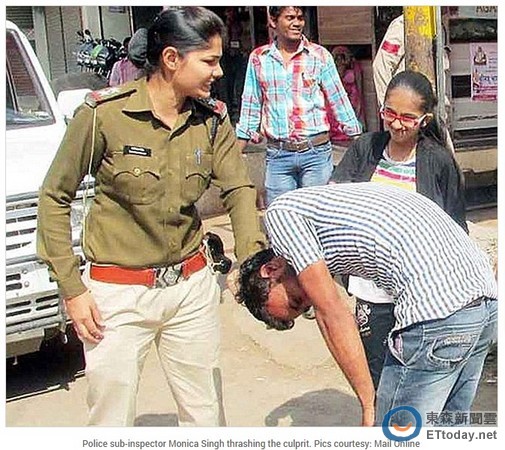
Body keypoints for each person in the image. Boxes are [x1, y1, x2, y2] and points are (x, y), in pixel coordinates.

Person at [37, 7, 266, 427]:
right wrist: (72, 289)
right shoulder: (104, 114)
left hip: (190, 289)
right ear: (172, 58)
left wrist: (251, 261)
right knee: (111, 419)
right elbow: (54, 197)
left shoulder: (211, 120)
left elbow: (238, 189)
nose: (218, 71)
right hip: (116, 296)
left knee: (205, 417)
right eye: (209, 61)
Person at [236, 183, 497, 427]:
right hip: (483, 302)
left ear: (270, 269)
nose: (309, 299)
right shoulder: (322, 209)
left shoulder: (280, 215)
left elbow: (332, 315)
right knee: (448, 429)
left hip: (439, 308)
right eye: (304, 307)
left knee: (395, 433)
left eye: (296, 299)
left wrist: (369, 403)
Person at [330, 70, 468, 388]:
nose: (396, 123)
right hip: (371, 288)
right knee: (378, 374)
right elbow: (335, 201)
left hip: (420, 292)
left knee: (416, 377)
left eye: (407, 117)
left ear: (424, 119)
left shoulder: (438, 162)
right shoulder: (366, 148)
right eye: (389, 113)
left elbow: (455, 228)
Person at [236, 6, 362, 207]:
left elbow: (339, 101)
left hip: (316, 153)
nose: (297, 23)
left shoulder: (319, 56)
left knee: (317, 213)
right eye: (290, 18)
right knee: (280, 214)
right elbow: (250, 106)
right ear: (273, 21)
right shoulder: (259, 58)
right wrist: (234, 156)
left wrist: (360, 142)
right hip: (278, 155)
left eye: (300, 18)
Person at [373, 13, 455, 153]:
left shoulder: (437, 24)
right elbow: (381, 66)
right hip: (409, 119)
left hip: (433, 114)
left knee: (445, 160)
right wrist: (391, 109)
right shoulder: (404, 23)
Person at [329, 45, 366, 142]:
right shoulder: (332, 69)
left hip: (353, 95)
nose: (340, 61)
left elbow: (359, 83)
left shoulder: (355, 68)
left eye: (342, 58)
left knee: (355, 113)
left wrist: (359, 99)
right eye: (337, 58)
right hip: (340, 96)